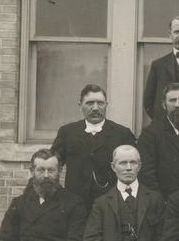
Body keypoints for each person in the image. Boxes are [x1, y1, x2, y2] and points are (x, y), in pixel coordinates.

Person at [51, 84, 136, 213]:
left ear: (106, 105)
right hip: (75, 205)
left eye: (100, 103)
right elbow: (51, 164)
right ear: (80, 106)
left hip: (111, 206)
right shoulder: (67, 132)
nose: (95, 108)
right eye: (90, 103)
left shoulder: (122, 134)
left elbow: (134, 169)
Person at [138, 83, 179, 199]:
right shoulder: (150, 134)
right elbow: (147, 174)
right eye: (172, 100)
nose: (177, 105)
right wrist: (161, 202)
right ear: (164, 105)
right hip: (164, 203)